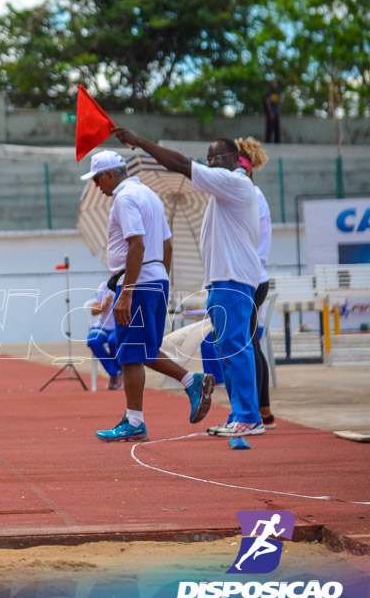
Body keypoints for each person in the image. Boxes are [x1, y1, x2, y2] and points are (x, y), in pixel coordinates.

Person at [114, 129, 264, 437]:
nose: (209, 164)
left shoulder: (235, 183)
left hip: (232, 279)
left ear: (233, 159)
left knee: (235, 347)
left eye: (214, 158)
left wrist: (140, 142)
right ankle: (241, 414)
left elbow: (181, 165)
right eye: (207, 159)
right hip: (225, 280)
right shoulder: (227, 191)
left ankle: (249, 416)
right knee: (227, 347)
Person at [82, 151, 213, 442]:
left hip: (138, 284)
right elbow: (167, 246)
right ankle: (191, 381)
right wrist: (161, 284)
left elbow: (137, 245)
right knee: (144, 348)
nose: (96, 186)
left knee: (129, 355)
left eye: (96, 179)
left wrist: (127, 293)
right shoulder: (150, 196)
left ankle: (134, 421)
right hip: (154, 282)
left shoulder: (124, 198)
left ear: (109, 175)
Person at [235, 137, 275, 429]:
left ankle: (259, 413)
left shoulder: (250, 194)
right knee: (251, 343)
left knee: (247, 345)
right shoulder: (252, 193)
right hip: (254, 276)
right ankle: (264, 410)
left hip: (250, 277)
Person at [85, 281, 121, 390]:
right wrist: (105, 304)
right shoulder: (104, 286)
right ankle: (115, 373)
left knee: (113, 341)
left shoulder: (127, 286)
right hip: (102, 326)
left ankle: (118, 374)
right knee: (93, 341)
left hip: (119, 325)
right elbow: (93, 311)